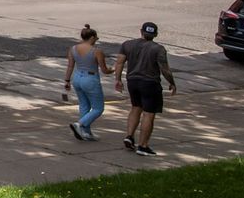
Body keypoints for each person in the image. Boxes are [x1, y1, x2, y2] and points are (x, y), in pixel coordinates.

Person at [116, 20, 177, 156]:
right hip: (150, 83)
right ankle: (143, 146)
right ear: (155, 35)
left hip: (132, 81)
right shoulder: (158, 49)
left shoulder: (127, 45)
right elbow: (164, 69)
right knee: (149, 114)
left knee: (135, 108)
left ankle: (129, 136)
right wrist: (172, 82)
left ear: (141, 32)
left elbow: (119, 62)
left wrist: (118, 79)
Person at [63, 25, 113, 141]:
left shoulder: (73, 49)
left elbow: (70, 66)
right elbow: (104, 70)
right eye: (96, 38)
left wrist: (67, 80)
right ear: (91, 37)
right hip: (90, 79)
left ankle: (86, 132)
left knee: (84, 105)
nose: (97, 40)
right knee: (98, 108)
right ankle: (80, 124)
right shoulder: (96, 51)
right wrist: (113, 70)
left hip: (77, 77)